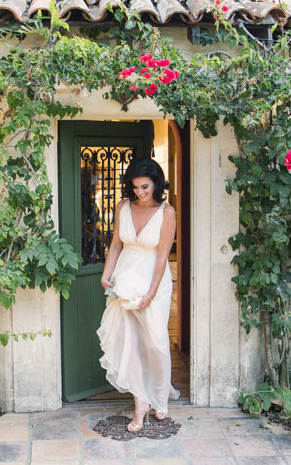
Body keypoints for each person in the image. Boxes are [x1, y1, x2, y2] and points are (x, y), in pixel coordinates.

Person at [96, 157, 180, 432]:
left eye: (145, 187)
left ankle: (159, 395)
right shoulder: (123, 207)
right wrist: (106, 275)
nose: (140, 192)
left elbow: (161, 257)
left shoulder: (167, 213)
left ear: (156, 183)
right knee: (128, 340)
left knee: (154, 342)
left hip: (153, 280)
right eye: (135, 188)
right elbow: (116, 245)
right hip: (125, 279)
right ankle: (140, 400)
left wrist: (152, 293)